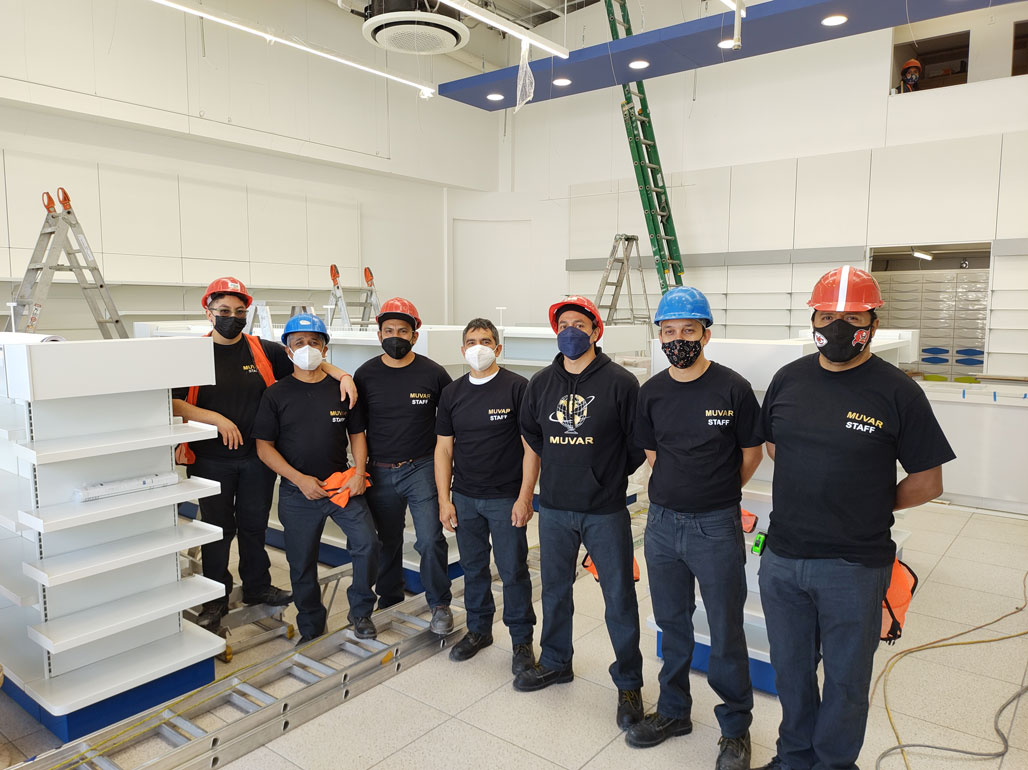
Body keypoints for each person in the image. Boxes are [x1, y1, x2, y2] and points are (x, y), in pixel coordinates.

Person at [756, 266, 956, 770]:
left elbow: (928, 481)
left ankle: (833, 764)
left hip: (854, 565)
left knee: (845, 683)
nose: (839, 326)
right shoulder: (789, 378)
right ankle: (793, 758)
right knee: (791, 673)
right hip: (783, 558)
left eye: (853, 317)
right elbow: (777, 446)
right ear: (812, 320)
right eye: (828, 316)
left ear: (873, 322)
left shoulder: (897, 391)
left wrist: (867, 501)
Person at [173, 277, 357, 632]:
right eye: (224, 311)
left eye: (239, 311)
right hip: (210, 459)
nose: (232, 317)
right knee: (217, 530)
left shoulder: (264, 351)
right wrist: (217, 419)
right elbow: (174, 402)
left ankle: (257, 586)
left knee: (254, 525)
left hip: (257, 457)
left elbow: (309, 362)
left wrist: (343, 375)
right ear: (209, 313)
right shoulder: (192, 354)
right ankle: (215, 598)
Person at [628, 287, 762, 770]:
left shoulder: (733, 388)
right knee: (672, 622)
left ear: (706, 334)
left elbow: (751, 454)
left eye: (688, 330)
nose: (678, 339)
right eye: (669, 331)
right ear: (660, 336)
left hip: (716, 525)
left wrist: (715, 491)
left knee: (725, 629)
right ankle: (673, 711)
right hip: (662, 524)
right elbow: (653, 454)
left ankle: (735, 729)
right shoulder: (651, 392)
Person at [516, 295, 646, 730]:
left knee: (619, 598)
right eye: (563, 325)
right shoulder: (540, 384)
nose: (570, 331)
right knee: (555, 591)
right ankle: (556, 661)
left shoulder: (621, 383)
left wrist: (605, 475)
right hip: (554, 507)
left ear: (595, 331)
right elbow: (533, 435)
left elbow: (636, 444)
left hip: (604, 510)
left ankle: (629, 684)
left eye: (579, 324)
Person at [253, 314, 379, 644]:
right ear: (288, 350)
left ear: (324, 349)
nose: (306, 348)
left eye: (314, 342)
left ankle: (361, 612)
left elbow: (357, 434)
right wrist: (300, 480)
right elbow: (264, 448)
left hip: (341, 486)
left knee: (367, 544)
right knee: (301, 563)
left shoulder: (342, 390)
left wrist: (360, 473)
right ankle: (310, 625)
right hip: (298, 493)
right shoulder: (276, 394)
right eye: (299, 342)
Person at [436, 318, 537, 675]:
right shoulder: (452, 393)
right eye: (471, 341)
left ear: (498, 348)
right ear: (463, 349)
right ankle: (479, 630)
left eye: (486, 341)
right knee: (473, 568)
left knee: (513, 570)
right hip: (465, 497)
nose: (478, 347)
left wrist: (525, 497)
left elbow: (531, 449)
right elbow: (443, 450)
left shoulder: (518, 388)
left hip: (505, 498)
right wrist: (444, 499)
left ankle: (521, 640)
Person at [354, 298, 455, 634]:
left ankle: (439, 604)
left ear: (414, 335)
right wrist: (360, 469)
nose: (395, 336)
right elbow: (357, 429)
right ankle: (390, 599)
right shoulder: (365, 374)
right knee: (386, 541)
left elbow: (453, 419)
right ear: (379, 334)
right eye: (388, 330)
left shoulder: (433, 373)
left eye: (402, 330)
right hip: (380, 470)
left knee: (430, 539)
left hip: (421, 469)